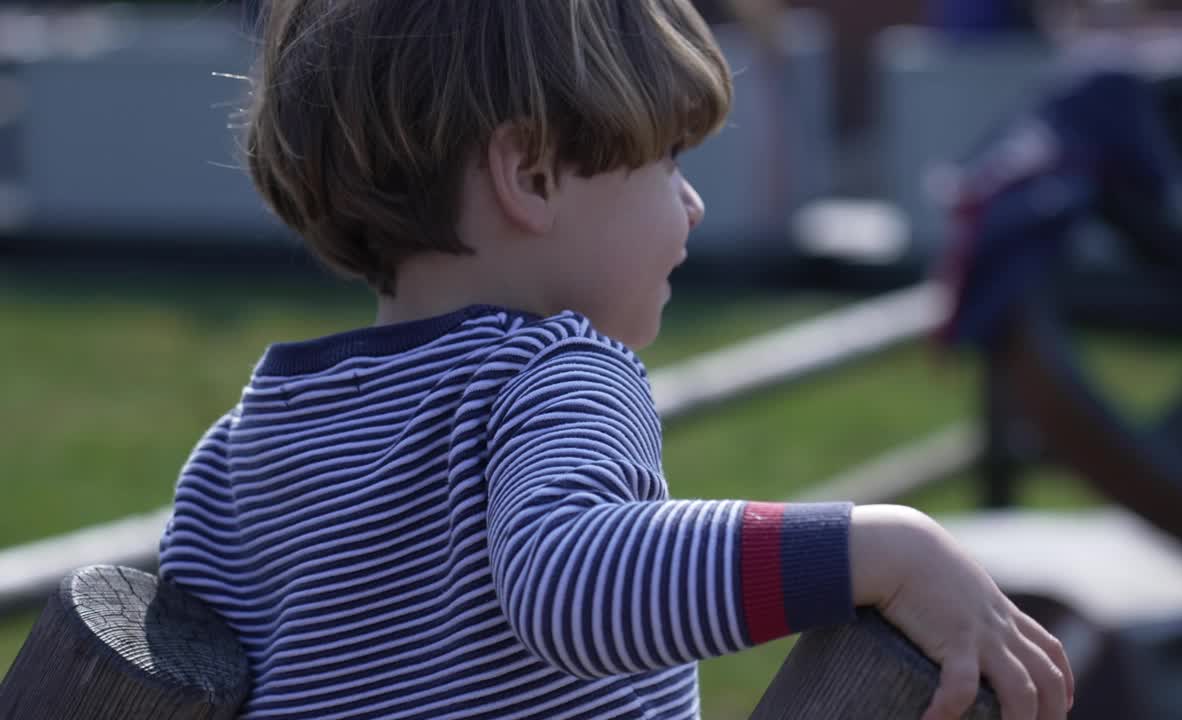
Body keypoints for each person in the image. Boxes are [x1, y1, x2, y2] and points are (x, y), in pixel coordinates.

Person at [157, 1, 1073, 718]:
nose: (692, 204)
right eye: (668, 158)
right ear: (534, 176)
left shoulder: (243, 442)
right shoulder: (550, 372)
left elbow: (178, 684)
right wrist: (883, 548)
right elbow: (570, 580)